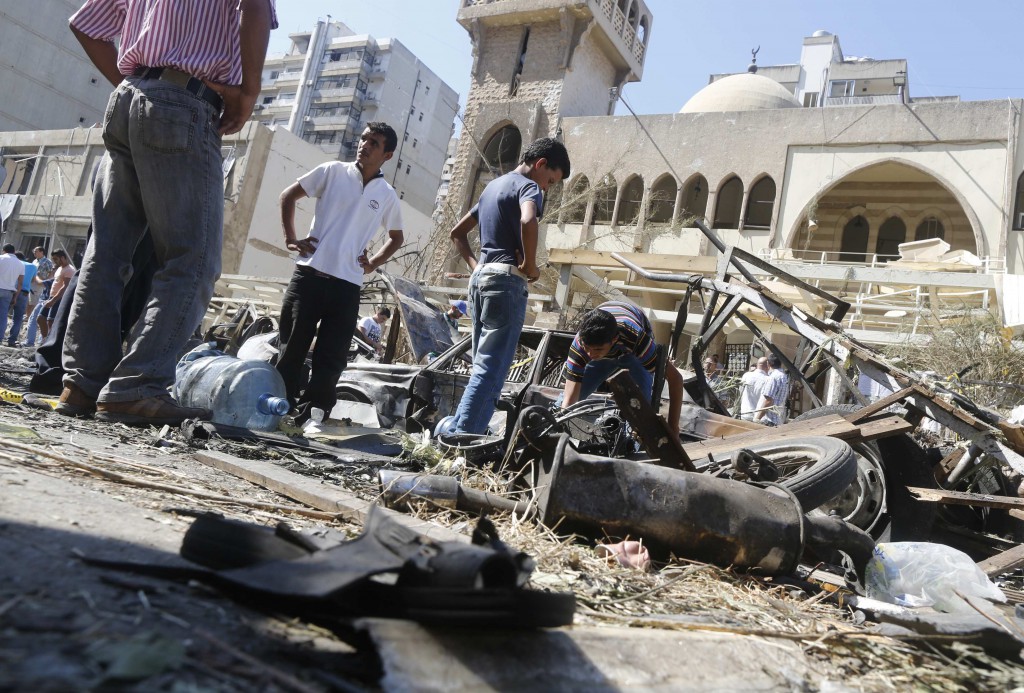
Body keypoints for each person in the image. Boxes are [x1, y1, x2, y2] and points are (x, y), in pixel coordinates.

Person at [57, 0, 277, 426]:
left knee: (107, 256)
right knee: (192, 260)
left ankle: (81, 384)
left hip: (127, 100)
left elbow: (84, 24)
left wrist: (133, 85)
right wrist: (249, 93)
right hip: (183, 104)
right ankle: (136, 386)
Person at [275, 123, 404, 425]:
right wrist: (291, 239)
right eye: (363, 139)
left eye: (374, 142)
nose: (364, 145)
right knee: (290, 348)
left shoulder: (385, 194)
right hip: (308, 277)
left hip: (347, 287)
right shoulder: (332, 171)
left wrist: (371, 263)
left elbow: (396, 237)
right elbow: (288, 196)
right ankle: (276, 408)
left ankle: (312, 417)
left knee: (331, 358)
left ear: (387, 154)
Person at [446, 137, 570, 435]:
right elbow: (529, 220)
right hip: (505, 282)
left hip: (481, 280)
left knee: (482, 367)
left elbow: (457, 233)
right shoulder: (528, 187)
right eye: (550, 181)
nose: (547, 188)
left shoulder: (493, 187)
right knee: (492, 368)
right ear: (540, 164)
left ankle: (458, 429)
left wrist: (477, 267)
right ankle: (465, 437)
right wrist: (529, 264)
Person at [560, 302, 685, 436]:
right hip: (609, 336)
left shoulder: (636, 338)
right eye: (587, 348)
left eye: (597, 349)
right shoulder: (580, 345)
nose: (590, 354)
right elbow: (569, 401)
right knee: (563, 410)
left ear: (614, 340)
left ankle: (636, 445)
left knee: (641, 411)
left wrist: (673, 430)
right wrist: (560, 426)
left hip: (632, 351)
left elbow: (676, 379)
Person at [39, 250, 75, 342]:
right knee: (40, 318)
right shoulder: (59, 268)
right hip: (52, 297)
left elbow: (65, 287)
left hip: (59, 298)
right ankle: (45, 340)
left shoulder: (69, 270)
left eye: (56, 259)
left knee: (51, 321)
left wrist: (53, 300)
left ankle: (52, 343)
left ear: (62, 257)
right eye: (53, 259)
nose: (54, 261)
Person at [25, 247, 54, 347]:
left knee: (36, 308)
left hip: (41, 285)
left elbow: (51, 273)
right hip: (33, 284)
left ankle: (34, 339)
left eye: (36, 251)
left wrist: (46, 281)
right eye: (34, 251)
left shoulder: (47, 262)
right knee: (30, 303)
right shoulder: (34, 261)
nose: (34, 253)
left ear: (42, 252)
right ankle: (29, 321)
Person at [6, 252, 37, 346]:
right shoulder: (33, 266)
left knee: (3, 314)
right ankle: (11, 340)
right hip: (24, 293)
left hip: (11, 291)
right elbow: (33, 280)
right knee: (18, 318)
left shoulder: (15, 264)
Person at [755, 354, 791, 426]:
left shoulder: (773, 377)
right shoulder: (783, 376)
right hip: (777, 419)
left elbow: (768, 400)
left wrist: (757, 418)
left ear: (768, 363)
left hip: (769, 420)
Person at [0, 245, 24, 345]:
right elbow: (20, 283)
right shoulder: (20, 264)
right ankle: (0, 338)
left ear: (3, 250)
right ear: (14, 251)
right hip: (9, 292)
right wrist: (15, 297)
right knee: (3, 316)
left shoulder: (1, 258)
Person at [738, 356, 769, 421]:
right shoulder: (767, 380)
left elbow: (740, 392)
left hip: (744, 413)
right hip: (757, 416)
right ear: (768, 366)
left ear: (757, 365)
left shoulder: (746, 375)